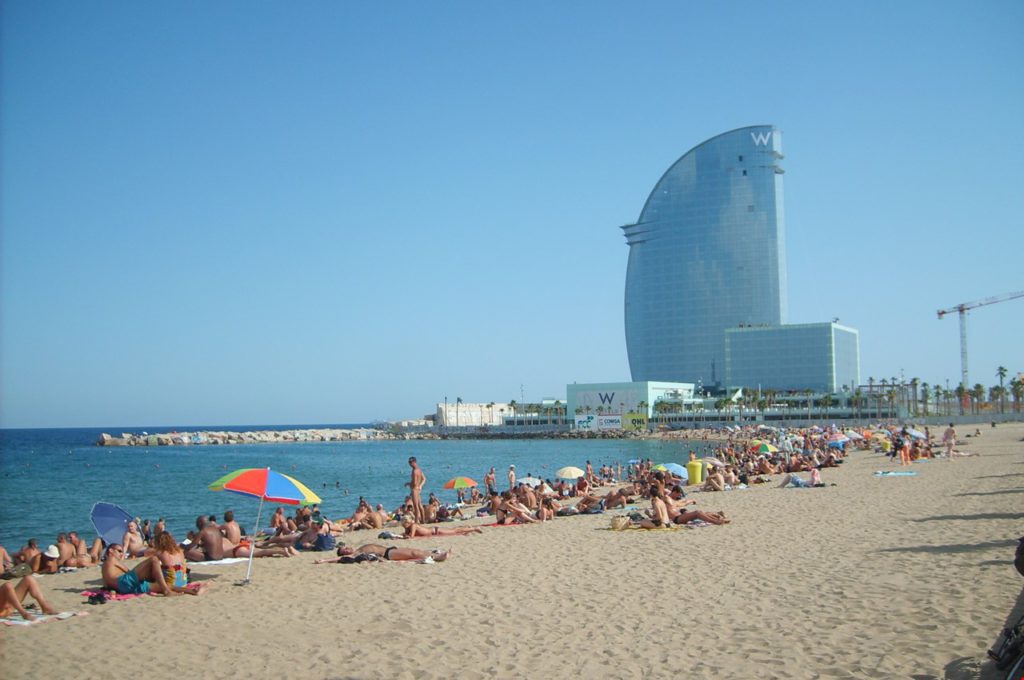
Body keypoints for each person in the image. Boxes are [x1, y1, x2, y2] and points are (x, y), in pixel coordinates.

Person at [101, 544, 173, 596]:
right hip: (124, 581)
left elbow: (106, 585)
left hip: (124, 589)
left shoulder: (105, 566)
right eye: (119, 551)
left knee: (162, 585)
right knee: (153, 559)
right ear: (111, 550)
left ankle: (182, 590)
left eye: (122, 552)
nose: (121, 554)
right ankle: (166, 590)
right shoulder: (111, 559)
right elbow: (128, 571)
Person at [313, 543, 451, 564]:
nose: (347, 549)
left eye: (346, 547)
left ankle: (434, 554)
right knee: (414, 553)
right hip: (388, 554)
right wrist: (324, 561)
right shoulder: (354, 554)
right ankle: (438, 557)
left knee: (415, 551)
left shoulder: (359, 548)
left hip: (389, 549)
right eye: (344, 550)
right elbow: (339, 558)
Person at [400, 517, 482, 538]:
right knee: (454, 530)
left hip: (436, 531)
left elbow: (411, 536)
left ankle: (474, 528)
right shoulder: (409, 527)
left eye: (404, 524)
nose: (403, 526)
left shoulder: (413, 525)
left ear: (407, 522)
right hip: (434, 531)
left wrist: (405, 536)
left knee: (455, 531)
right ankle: (468, 527)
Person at [406, 456, 427, 524]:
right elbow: (424, 479)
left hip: (415, 489)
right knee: (420, 505)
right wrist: (420, 486)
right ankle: (423, 520)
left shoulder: (414, 471)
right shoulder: (419, 470)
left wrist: (408, 484)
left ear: (414, 462)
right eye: (409, 462)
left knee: (416, 506)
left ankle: (416, 522)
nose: (410, 464)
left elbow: (414, 483)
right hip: (418, 489)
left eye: (411, 462)